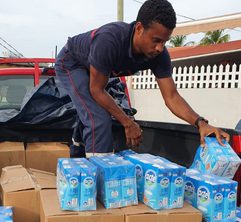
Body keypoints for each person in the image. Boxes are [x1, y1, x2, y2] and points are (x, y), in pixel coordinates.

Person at [54, 0, 229, 158]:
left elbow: (172, 97)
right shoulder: (109, 41)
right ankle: (103, 182)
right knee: (98, 117)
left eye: (165, 41)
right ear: (139, 28)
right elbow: (96, 90)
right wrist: (128, 123)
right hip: (72, 63)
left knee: (93, 110)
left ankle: (77, 155)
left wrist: (200, 123)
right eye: (156, 40)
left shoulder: (159, 56)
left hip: (96, 71)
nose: (160, 48)